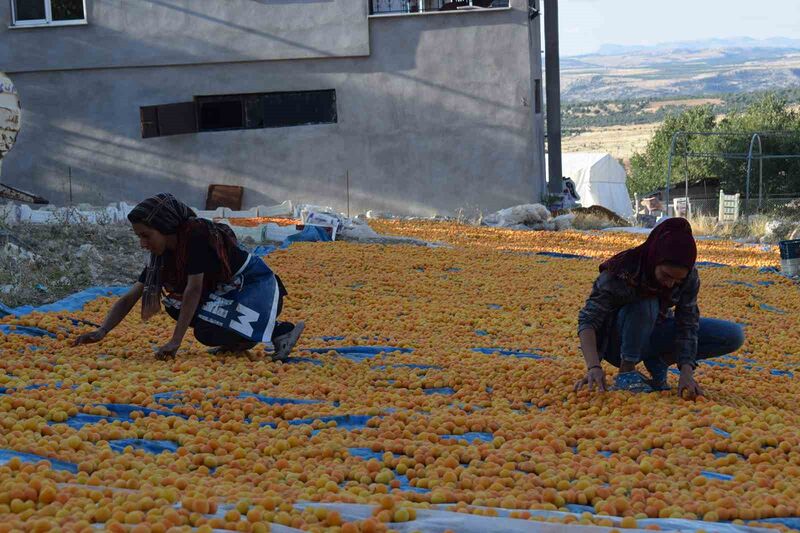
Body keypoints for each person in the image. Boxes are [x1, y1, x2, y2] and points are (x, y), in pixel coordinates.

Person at [73, 193, 304, 360]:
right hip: (228, 292)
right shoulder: (162, 256)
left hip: (253, 287)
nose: (143, 244)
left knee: (204, 329)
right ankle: (238, 340)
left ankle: (281, 330)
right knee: (175, 305)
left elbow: (194, 290)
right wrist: (102, 330)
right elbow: (131, 296)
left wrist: (175, 341)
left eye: (146, 236)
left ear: (165, 227)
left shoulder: (196, 237)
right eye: (139, 237)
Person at [574, 218, 745, 399]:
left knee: (732, 335)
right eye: (666, 275)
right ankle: (627, 371)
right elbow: (588, 320)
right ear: (655, 257)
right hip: (616, 341)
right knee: (647, 301)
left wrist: (686, 371)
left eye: (677, 280)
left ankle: (659, 361)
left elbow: (687, 322)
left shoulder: (689, 277)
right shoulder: (622, 271)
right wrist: (594, 366)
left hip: (654, 331)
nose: (670, 283)